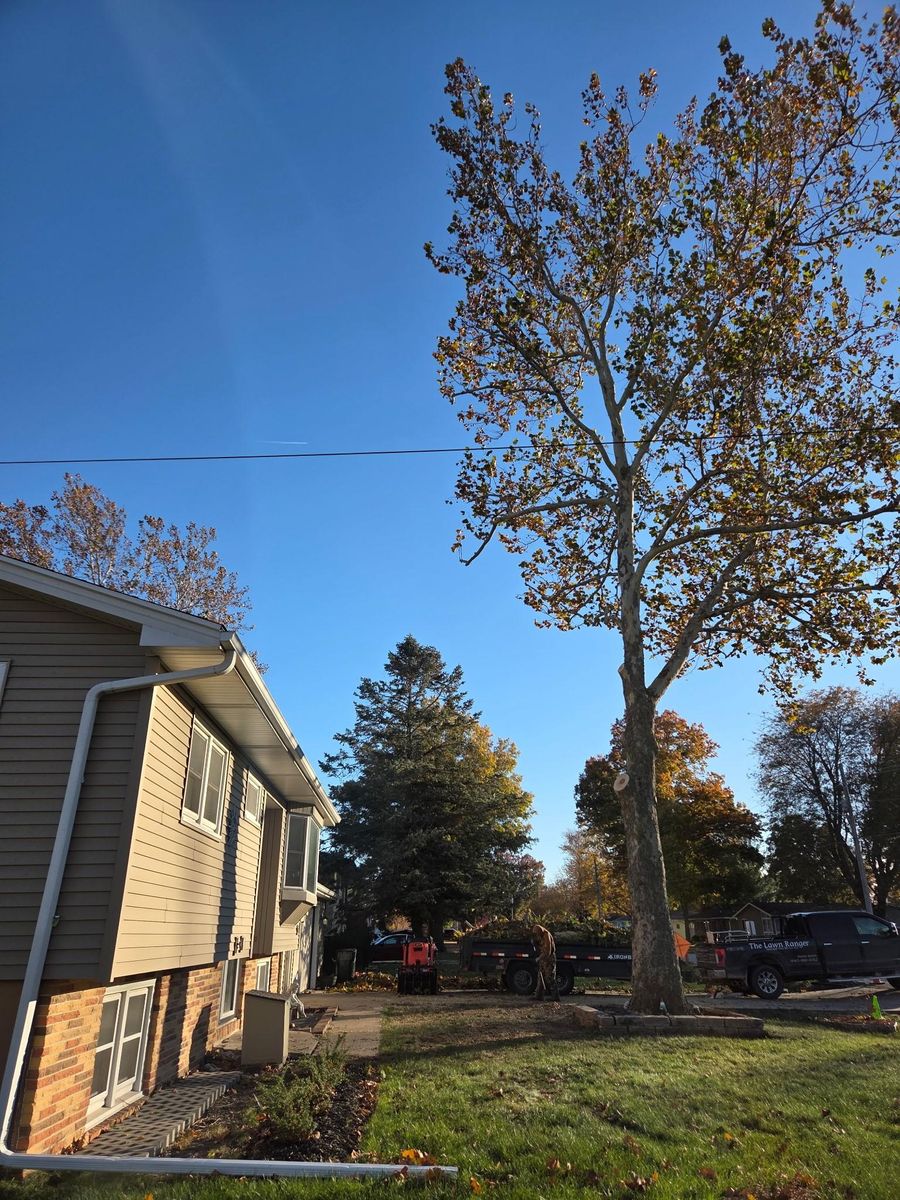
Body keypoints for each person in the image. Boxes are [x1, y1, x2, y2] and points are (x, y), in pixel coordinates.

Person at [531, 923, 559, 1001]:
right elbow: (539, 947)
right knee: (541, 977)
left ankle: (555, 997)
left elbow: (548, 951)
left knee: (550, 977)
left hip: (549, 958)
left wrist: (539, 958)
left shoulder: (546, 935)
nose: (536, 935)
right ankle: (538, 996)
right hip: (543, 958)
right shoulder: (540, 936)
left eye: (537, 933)